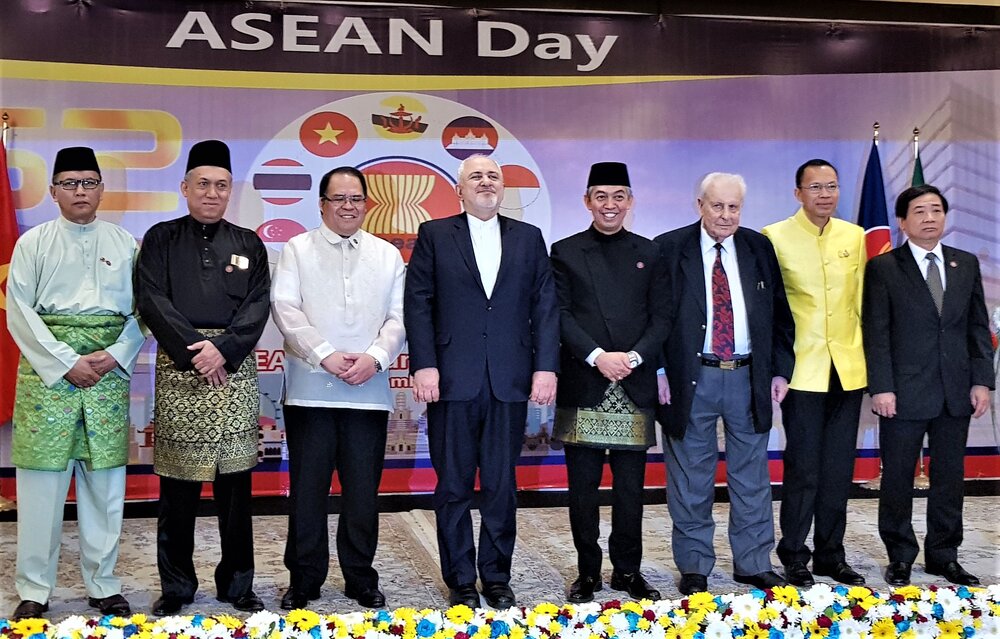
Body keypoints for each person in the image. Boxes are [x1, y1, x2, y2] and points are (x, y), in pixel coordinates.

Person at [403, 153, 559, 609]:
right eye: (476, 176)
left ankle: (495, 577)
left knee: (500, 485)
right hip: (452, 379)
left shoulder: (529, 237)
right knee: (453, 485)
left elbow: (545, 306)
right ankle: (460, 580)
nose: (486, 182)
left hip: (509, 380)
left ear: (503, 187)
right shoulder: (435, 234)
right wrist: (424, 364)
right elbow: (418, 302)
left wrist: (545, 367)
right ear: (459, 189)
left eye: (493, 175)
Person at [6, 147, 144, 620]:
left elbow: (144, 310)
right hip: (49, 376)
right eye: (69, 183)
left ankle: (103, 584)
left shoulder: (125, 244)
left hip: (106, 372)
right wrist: (66, 362)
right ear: (53, 191)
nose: (79, 191)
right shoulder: (33, 243)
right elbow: (19, 311)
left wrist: (114, 355)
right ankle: (34, 589)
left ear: (102, 189)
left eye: (88, 182)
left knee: (105, 484)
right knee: (41, 485)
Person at [135, 140, 270, 615]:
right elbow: (151, 299)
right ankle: (176, 587)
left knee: (235, 486)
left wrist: (224, 351)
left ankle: (238, 584)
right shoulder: (160, 238)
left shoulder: (248, 243)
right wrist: (198, 351)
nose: (212, 193)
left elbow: (257, 304)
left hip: (233, 370)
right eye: (203, 184)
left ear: (231, 190)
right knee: (178, 487)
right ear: (185, 187)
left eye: (221, 185)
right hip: (182, 366)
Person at [271, 167, 405, 610]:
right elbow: (285, 307)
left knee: (363, 492)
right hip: (310, 389)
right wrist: (324, 354)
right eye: (339, 198)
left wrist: (375, 358)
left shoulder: (387, 255)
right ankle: (304, 578)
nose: (348, 206)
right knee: (307, 491)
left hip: (369, 390)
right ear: (322, 204)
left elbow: (399, 317)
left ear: (367, 203)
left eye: (356, 198)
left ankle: (360, 577)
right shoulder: (297, 249)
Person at [655, 173, 795, 596]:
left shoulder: (758, 247)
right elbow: (653, 317)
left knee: (752, 479)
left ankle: (753, 563)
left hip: (748, 376)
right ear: (700, 205)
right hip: (690, 377)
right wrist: (658, 370)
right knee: (690, 479)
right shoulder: (669, 248)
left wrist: (780, 371)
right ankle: (694, 566)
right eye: (718, 206)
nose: (726, 215)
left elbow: (780, 315)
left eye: (734, 207)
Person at [862, 184, 992, 587]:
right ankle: (900, 555)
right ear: (902, 222)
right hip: (902, 392)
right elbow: (876, 332)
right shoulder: (884, 267)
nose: (930, 217)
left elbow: (977, 326)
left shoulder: (964, 263)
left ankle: (944, 555)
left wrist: (982, 381)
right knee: (898, 478)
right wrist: (881, 386)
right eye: (919, 211)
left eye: (936, 210)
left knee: (950, 478)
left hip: (956, 390)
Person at [550, 162, 667, 603]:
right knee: (582, 489)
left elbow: (663, 316)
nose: (610, 204)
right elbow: (560, 315)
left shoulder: (649, 252)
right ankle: (588, 572)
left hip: (632, 383)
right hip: (585, 380)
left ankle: (628, 570)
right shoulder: (565, 251)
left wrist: (633, 358)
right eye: (601, 196)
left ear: (630, 201)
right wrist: (598, 356)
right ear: (587, 201)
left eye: (619, 196)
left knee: (630, 491)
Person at [762, 159, 867, 587]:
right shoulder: (774, 237)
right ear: (798, 193)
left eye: (832, 186)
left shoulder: (855, 236)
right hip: (801, 370)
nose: (825, 194)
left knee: (838, 469)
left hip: (848, 368)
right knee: (803, 468)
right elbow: (770, 311)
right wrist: (775, 367)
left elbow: (862, 303)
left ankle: (831, 554)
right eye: (816, 187)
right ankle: (794, 554)